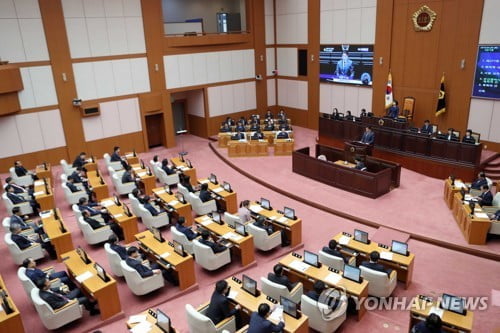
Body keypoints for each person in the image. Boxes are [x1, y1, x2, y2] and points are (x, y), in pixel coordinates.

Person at [35, 278, 100, 316]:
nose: (49, 282)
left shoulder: (44, 290)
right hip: (64, 301)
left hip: (63, 297)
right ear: (44, 286)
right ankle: (92, 311)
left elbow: (52, 290)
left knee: (78, 290)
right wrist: (69, 301)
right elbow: (57, 305)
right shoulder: (47, 297)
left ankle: (89, 304)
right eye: (48, 282)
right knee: (84, 299)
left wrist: (62, 290)